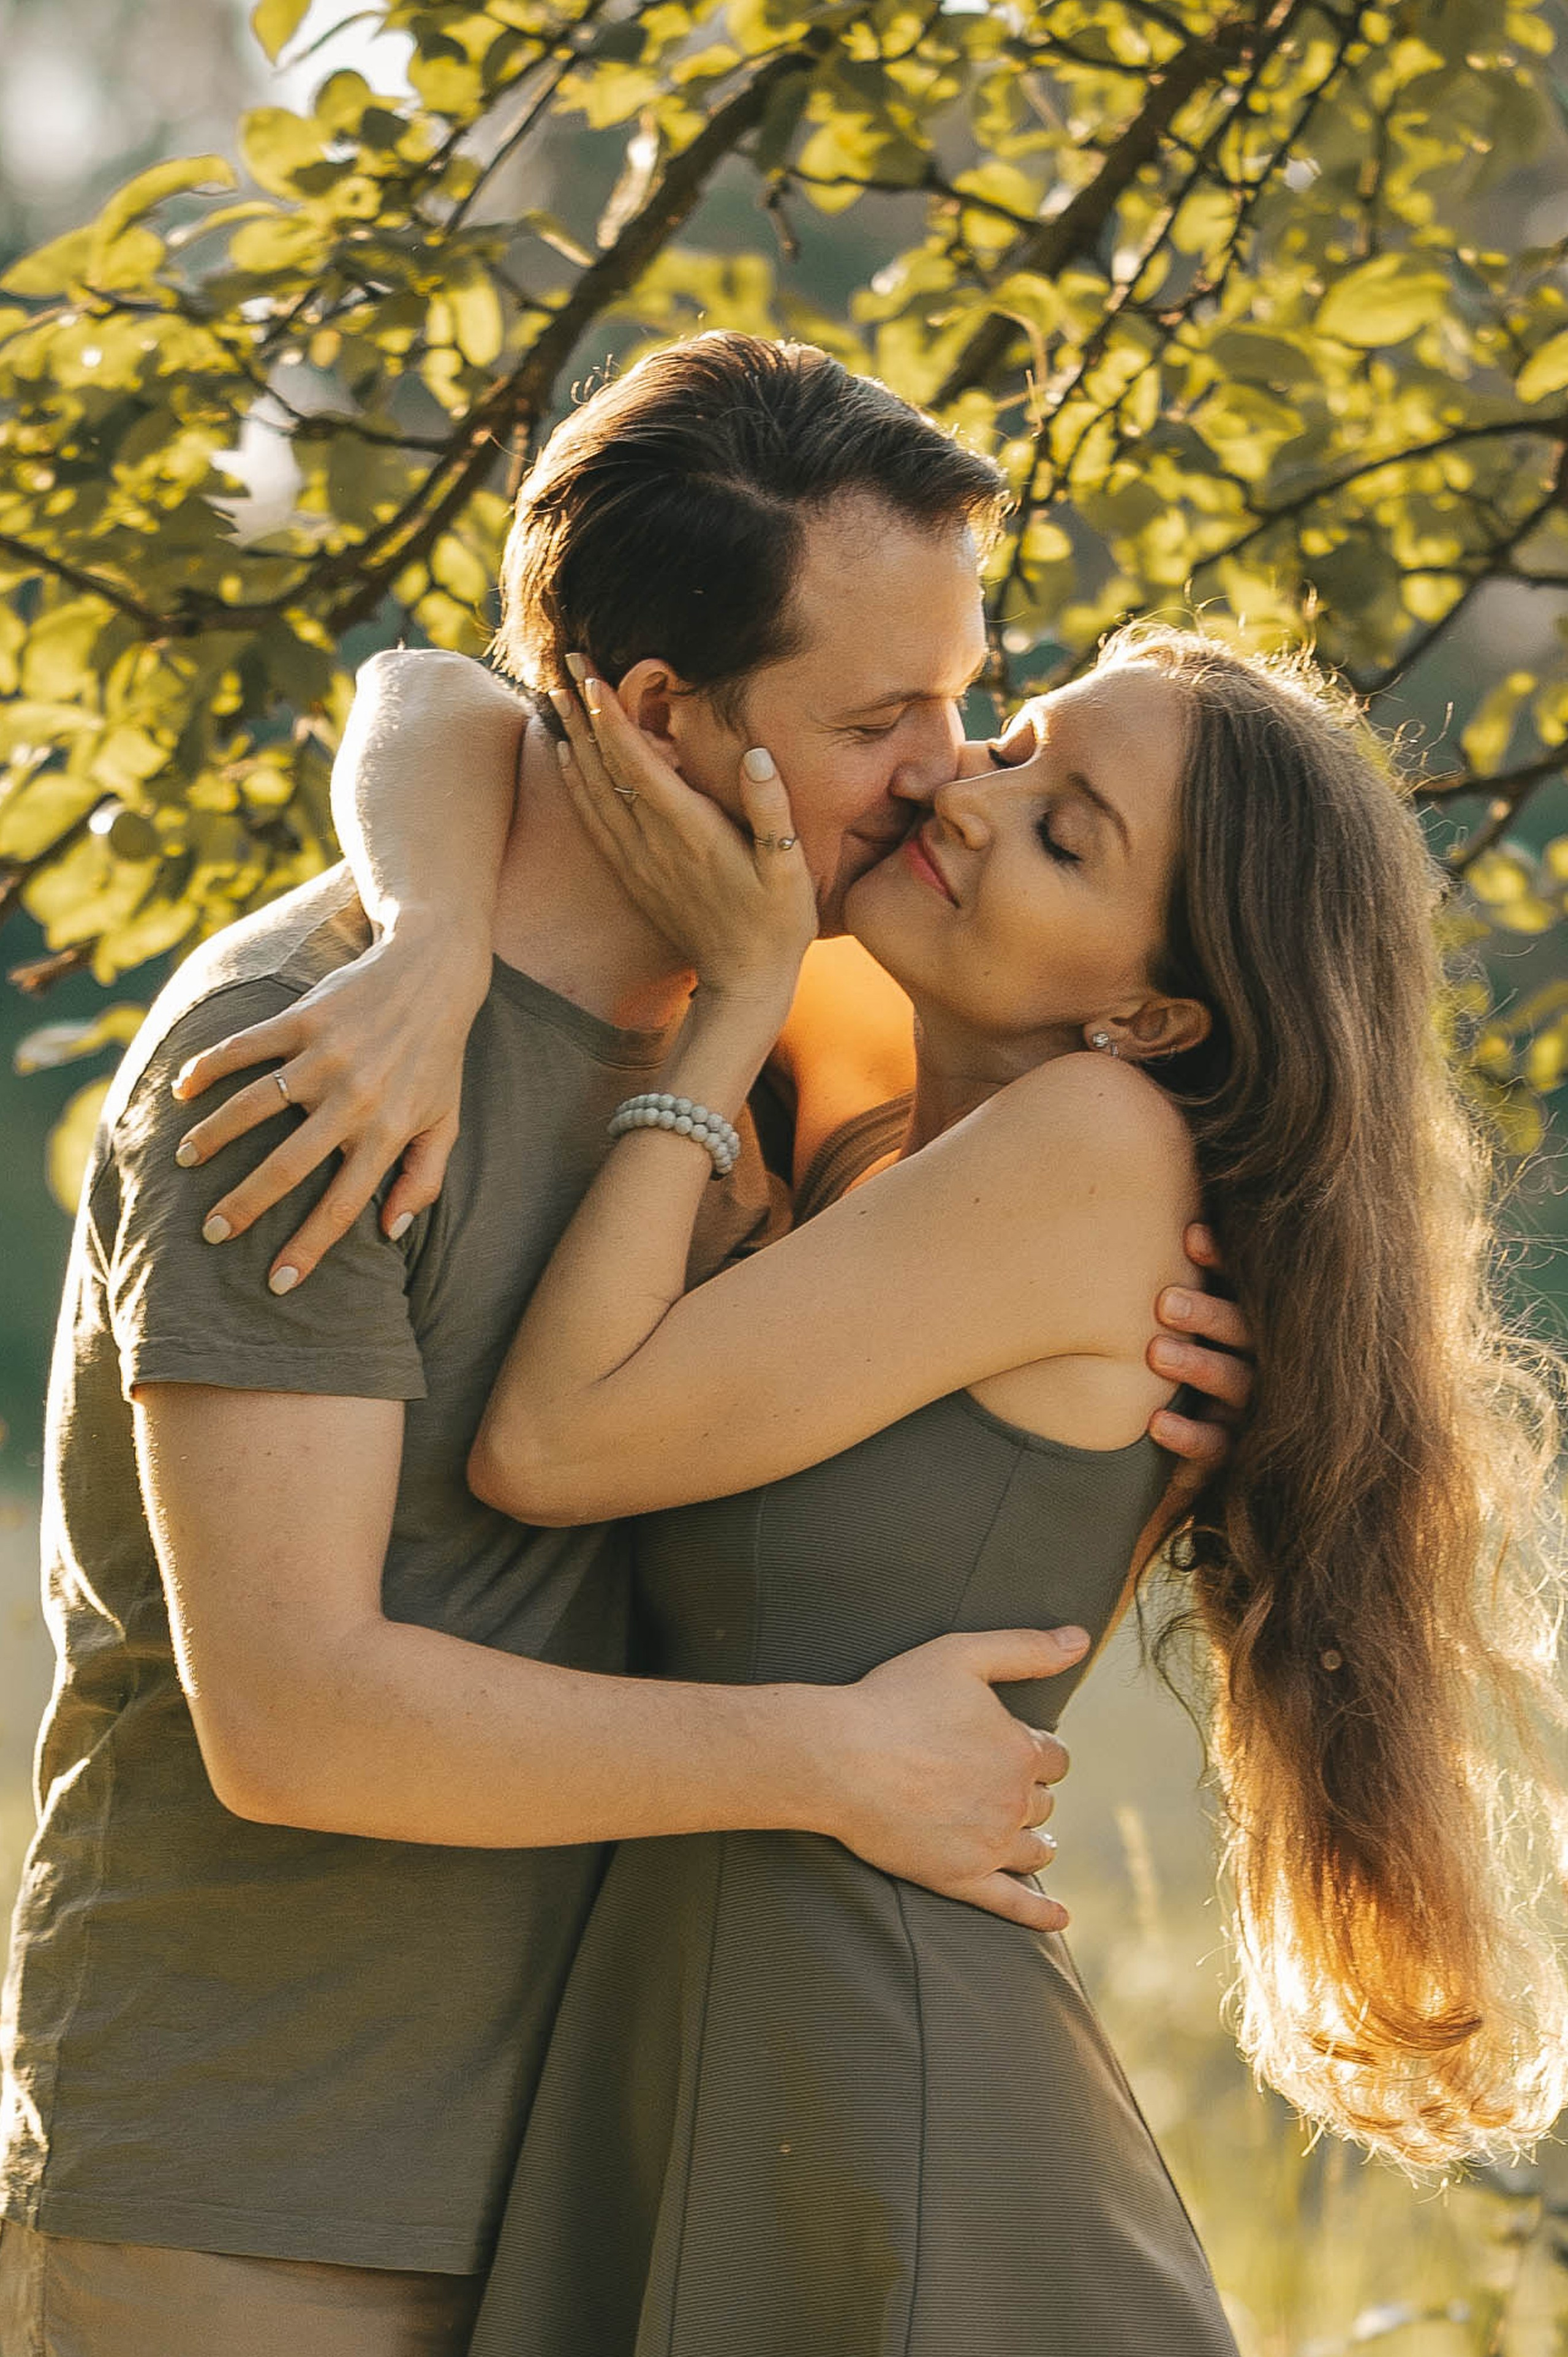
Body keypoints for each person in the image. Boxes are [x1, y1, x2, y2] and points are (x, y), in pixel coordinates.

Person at [0, 334, 1248, 2357]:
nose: (945, 773)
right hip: (262, 2200)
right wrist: (831, 1764)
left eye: (964, 698)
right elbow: (295, 1715)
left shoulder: (760, 1038)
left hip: (607, 2203)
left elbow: (438, 690)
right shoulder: (310, 1065)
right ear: (662, 714)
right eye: (882, 719)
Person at [449, 628, 1567, 2353]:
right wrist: (421, 940)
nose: (974, 802)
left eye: (1067, 834)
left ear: (1150, 1012)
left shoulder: (1093, 1149)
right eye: (1018, 742)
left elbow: (549, 1445)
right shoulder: (917, 1120)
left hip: (873, 2068)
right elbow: (469, 705)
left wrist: (735, 1003)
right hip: (741, 2036)